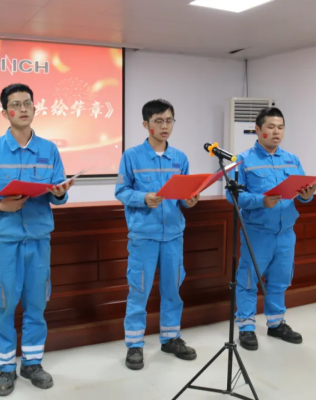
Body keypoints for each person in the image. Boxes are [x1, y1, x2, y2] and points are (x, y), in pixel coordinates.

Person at [0, 83, 73, 396]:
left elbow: (59, 194)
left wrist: (60, 192)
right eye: (15, 104)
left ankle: (32, 364)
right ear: (5, 113)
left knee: (37, 304)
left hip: (39, 239)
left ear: (35, 108)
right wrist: (1, 205)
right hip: (5, 241)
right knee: (4, 304)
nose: (23, 109)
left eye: (28, 103)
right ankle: (5, 368)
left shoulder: (49, 150)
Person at [115, 99, 199, 371]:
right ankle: (134, 344)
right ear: (146, 124)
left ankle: (171, 338)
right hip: (144, 236)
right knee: (139, 290)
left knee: (172, 289)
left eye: (169, 120)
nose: (165, 126)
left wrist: (190, 200)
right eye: (158, 121)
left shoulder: (180, 158)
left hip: (173, 235)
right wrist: (143, 198)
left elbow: (185, 196)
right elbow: (121, 191)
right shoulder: (131, 156)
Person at [226, 107, 316, 351]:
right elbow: (231, 196)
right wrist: (261, 201)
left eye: (280, 127)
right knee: (248, 280)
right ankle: (246, 327)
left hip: (286, 232)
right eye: (271, 127)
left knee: (279, 280)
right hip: (257, 233)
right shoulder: (242, 161)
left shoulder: (292, 159)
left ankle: (276, 324)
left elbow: (303, 192)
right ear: (258, 130)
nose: (276, 132)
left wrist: (307, 195)